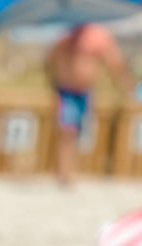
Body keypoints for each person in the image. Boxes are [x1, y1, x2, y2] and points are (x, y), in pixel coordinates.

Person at [45, 21, 134, 186]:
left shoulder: (97, 36)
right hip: (66, 90)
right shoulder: (67, 36)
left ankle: (68, 172)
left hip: (84, 91)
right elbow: (51, 60)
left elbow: (114, 63)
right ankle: (65, 175)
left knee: (78, 132)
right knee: (68, 131)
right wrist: (53, 81)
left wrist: (126, 86)